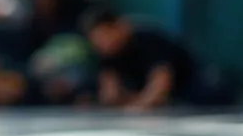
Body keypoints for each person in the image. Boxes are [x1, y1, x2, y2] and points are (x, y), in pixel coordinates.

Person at [82, 8, 233, 111]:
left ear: (120, 26)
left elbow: (161, 82)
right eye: (97, 40)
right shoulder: (105, 54)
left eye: (104, 36)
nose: (102, 43)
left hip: (189, 84)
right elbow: (110, 92)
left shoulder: (147, 39)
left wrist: (139, 105)